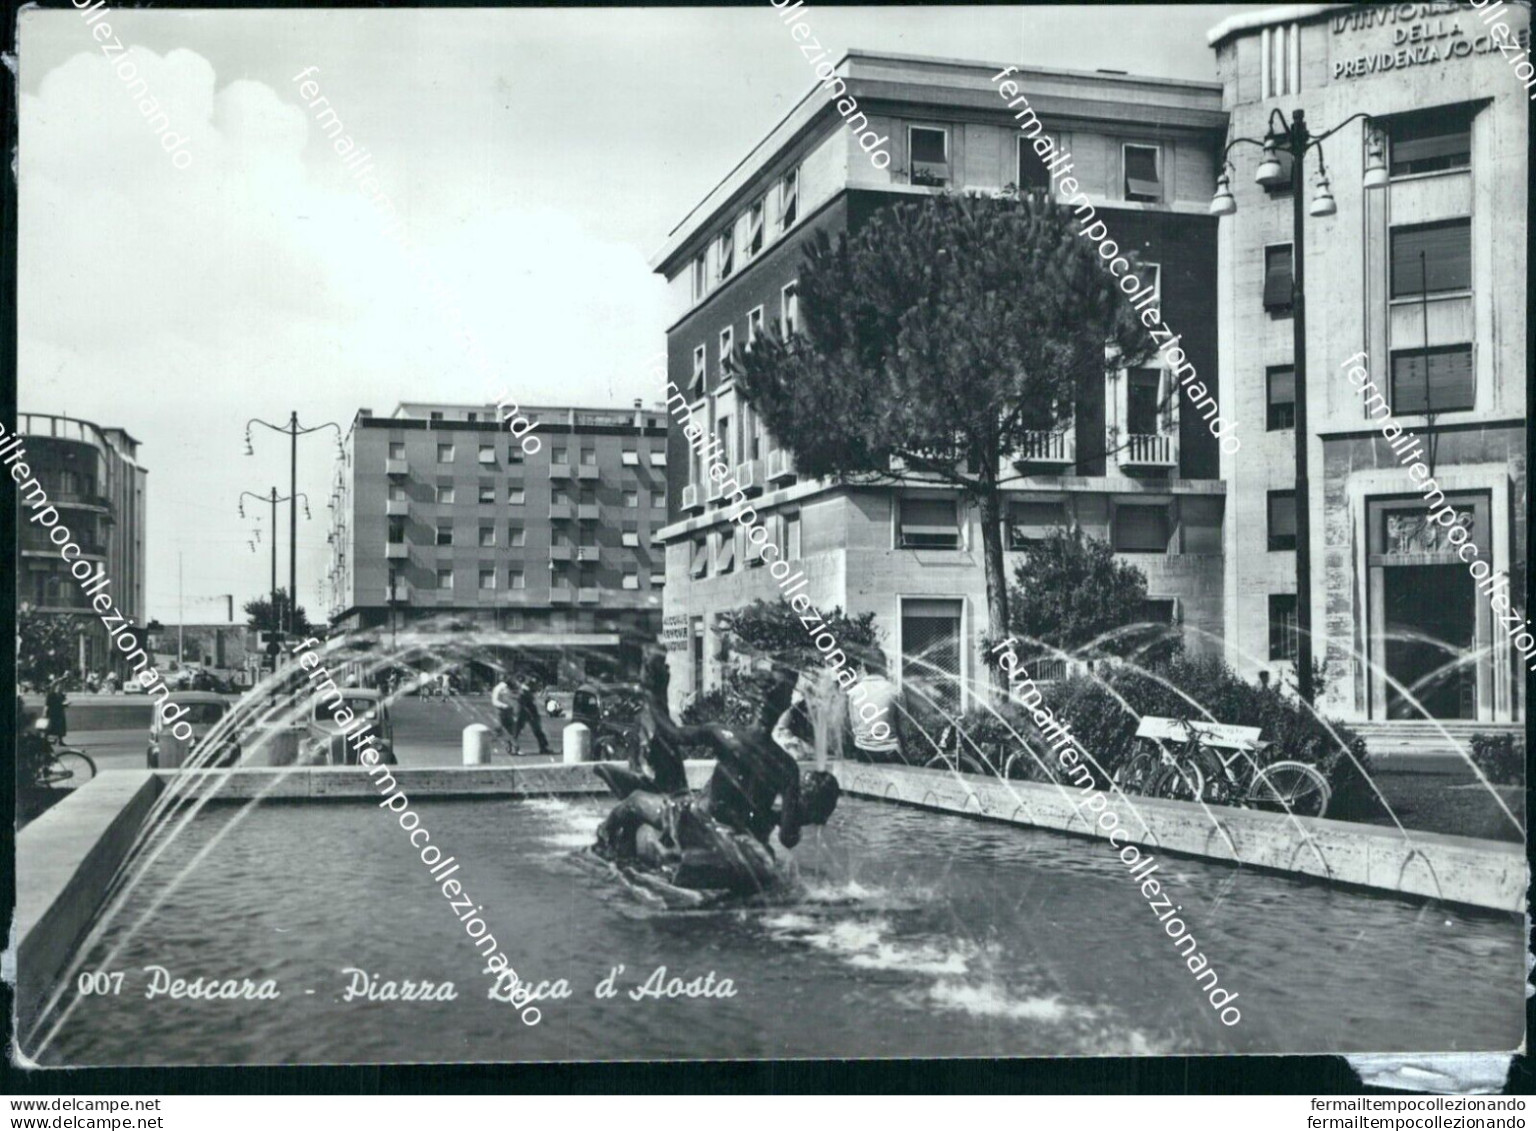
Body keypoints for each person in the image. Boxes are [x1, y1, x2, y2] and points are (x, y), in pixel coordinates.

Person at [595, 667, 840, 895]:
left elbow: (673, 734)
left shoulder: (725, 735)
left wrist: (651, 697)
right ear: (785, 705)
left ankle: (602, 841)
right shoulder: (787, 767)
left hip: (696, 824)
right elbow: (787, 838)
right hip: (740, 842)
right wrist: (793, 817)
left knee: (635, 801)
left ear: (755, 701)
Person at [844, 648, 905, 764]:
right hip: (889, 751)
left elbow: (853, 726)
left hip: (863, 752)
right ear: (883, 665)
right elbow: (903, 726)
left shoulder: (854, 693)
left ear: (865, 667)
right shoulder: (895, 691)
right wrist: (905, 749)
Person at [511, 671, 552, 756]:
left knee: (519, 731)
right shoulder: (525, 690)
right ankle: (514, 748)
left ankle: (543, 747)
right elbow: (522, 701)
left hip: (526, 711)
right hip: (525, 711)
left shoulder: (525, 689)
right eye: (536, 683)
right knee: (519, 730)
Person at [490, 670, 519, 756]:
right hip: (500, 711)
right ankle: (485, 744)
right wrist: (504, 706)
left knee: (510, 729)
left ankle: (512, 746)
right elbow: (494, 701)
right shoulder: (498, 688)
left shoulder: (509, 688)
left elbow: (512, 697)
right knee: (499, 729)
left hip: (508, 710)